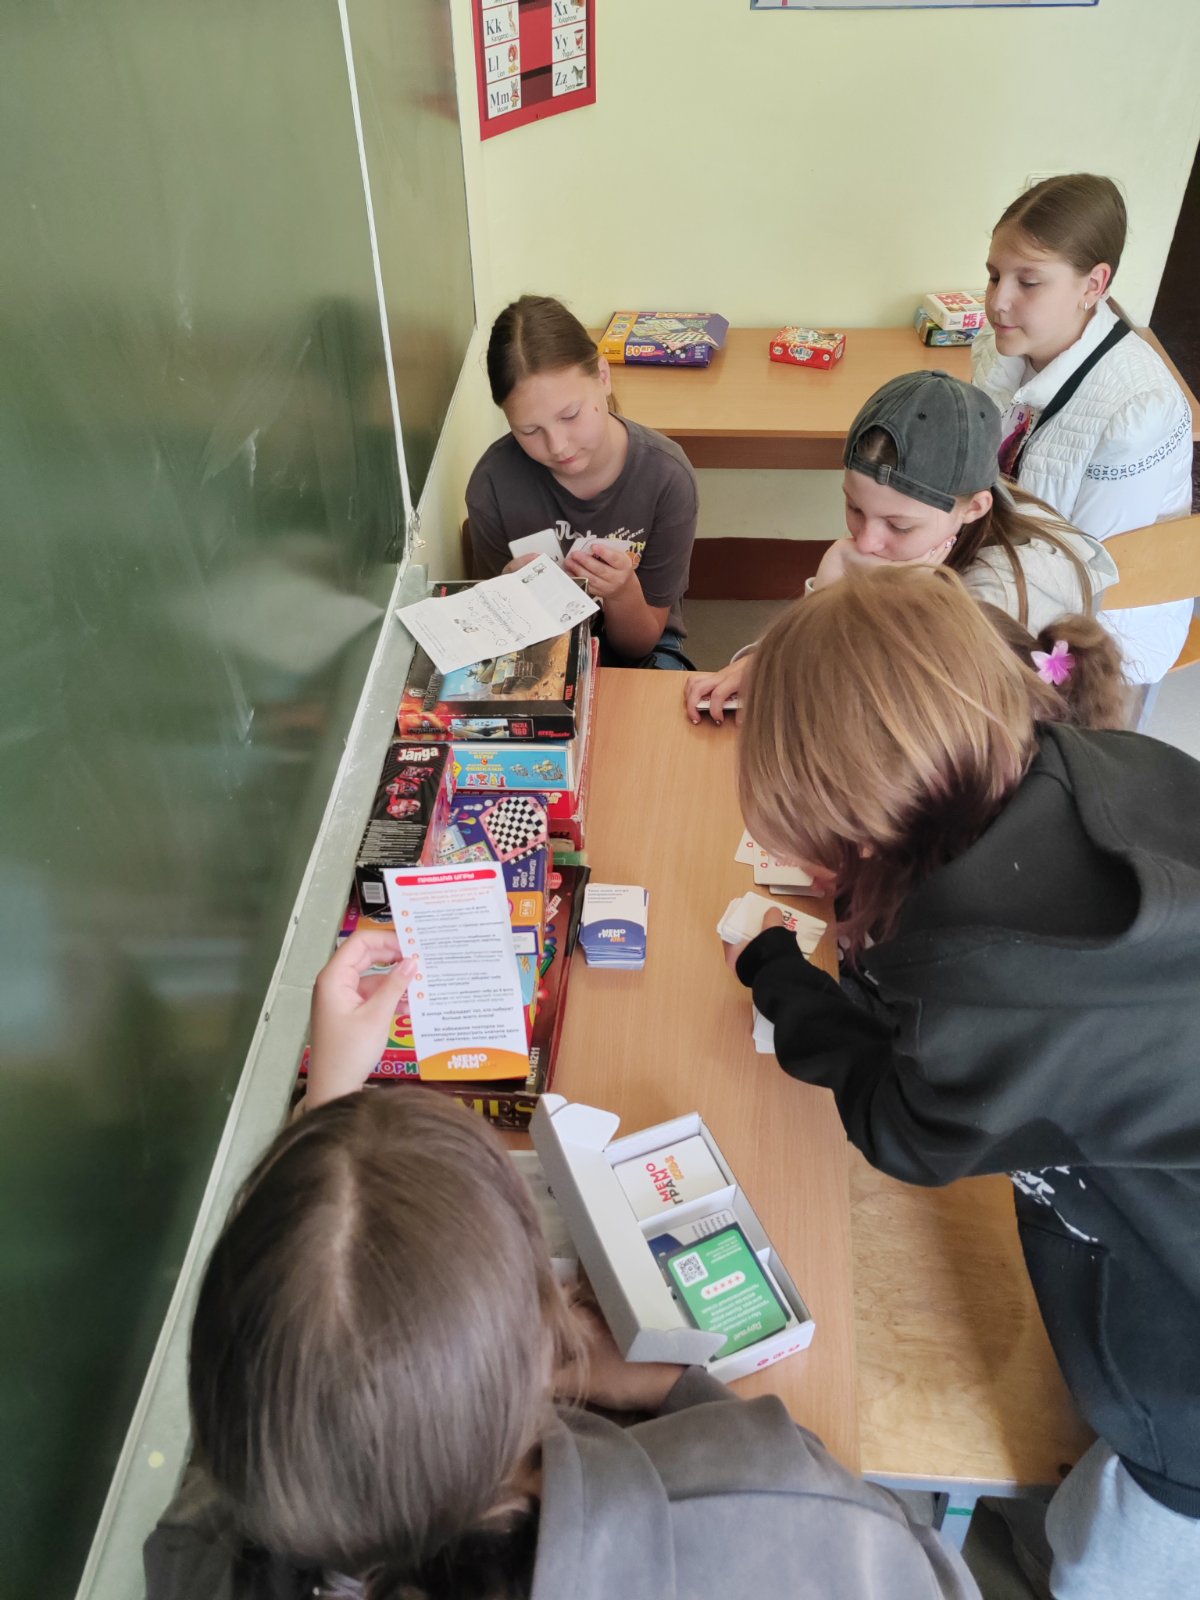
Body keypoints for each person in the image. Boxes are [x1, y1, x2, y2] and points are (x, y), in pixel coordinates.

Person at [144, 929, 978, 1600]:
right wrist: (671, 1387)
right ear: (543, 1349)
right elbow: (927, 1569)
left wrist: (331, 1104)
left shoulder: (193, 1551)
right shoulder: (765, 1504)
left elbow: (295, 1374)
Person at [727, 564, 1200, 1600]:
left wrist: (778, 974)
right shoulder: (1101, 758)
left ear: (862, 838)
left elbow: (901, 1126)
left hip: (1185, 1410)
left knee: (1107, 1563)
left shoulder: (978, 999)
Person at [683, 370, 1115, 724]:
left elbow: (882, 723)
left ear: (973, 508)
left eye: (898, 525)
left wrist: (882, 603)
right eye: (854, 508)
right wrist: (767, 658)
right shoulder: (942, 520)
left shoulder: (1004, 594)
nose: (866, 541)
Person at [975, 173, 1194, 688]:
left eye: (1028, 282)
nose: (998, 301)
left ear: (1093, 285)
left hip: (1099, 624)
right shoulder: (1001, 345)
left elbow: (1085, 578)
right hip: (1007, 556)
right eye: (994, 276)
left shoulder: (1139, 410)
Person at [468, 295, 698, 669]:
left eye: (571, 415)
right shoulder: (492, 484)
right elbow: (502, 637)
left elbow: (639, 645)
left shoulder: (666, 477)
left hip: (643, 645)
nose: (558, 446)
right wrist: (507, 595)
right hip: (541, 646)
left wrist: (623, 592)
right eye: (529, 430)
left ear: (603, 376)